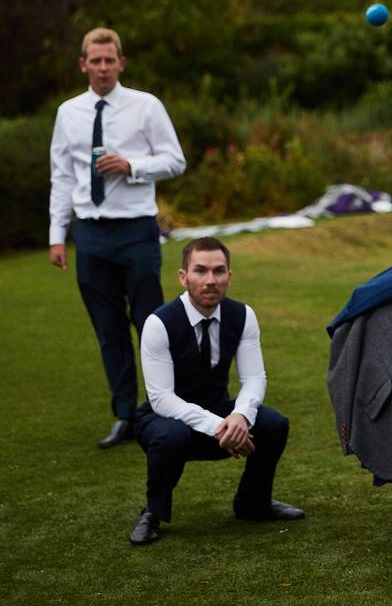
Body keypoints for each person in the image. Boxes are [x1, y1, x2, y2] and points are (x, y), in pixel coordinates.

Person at [49, 27, 186, 449]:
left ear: (121, 63)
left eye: (111, 60)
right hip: (89, 234)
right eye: (96, 60)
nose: (103, 67)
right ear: (83, 64)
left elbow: (175, 161)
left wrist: (132, 165)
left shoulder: (146, 106)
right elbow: (62, 177)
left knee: (150, 325)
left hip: (135, 230)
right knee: (109, 330)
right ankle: (125, 416)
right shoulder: (68, 112)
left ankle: (165, 409)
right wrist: (58, 234)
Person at [129, 237, 303, 546]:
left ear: (229, 276)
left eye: (218, 271)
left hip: (219, 408)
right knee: (172, 436)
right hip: (165, 418)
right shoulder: (159, 322)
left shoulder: (243, 315)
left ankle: (254, 503)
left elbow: (254, 377)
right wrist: (218, 426)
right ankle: (153, 513)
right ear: (183, 277)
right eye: (200, 271)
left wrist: (239, 415)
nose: (210, 280)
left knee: (273, 425)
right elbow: (161, 398)